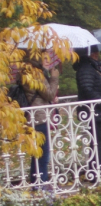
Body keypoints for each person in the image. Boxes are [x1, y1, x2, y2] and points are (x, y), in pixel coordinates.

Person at [73, 45, 101, 181]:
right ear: (87, 53)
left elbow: (100, 84)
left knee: (98, 140)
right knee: (96, 141)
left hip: (97, 109)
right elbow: (87, 88)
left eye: (96, 51)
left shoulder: (93, 67)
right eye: (93, 51)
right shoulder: (86, 68)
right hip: (92, 110)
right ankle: (97, 172)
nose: (96, 53)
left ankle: (98, 170)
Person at [22, 53, 60, 184]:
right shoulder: (36, 74)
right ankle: (41, 182)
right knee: (42, 153)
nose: (48, 61)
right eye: (44, 58)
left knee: (36, 152)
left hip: (32, 116)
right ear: (36, 58)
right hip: (39, 116)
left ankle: (35, 180)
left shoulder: (25, 72)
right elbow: (48, 94)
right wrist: (54, 78)